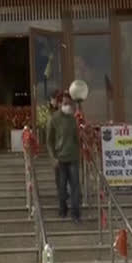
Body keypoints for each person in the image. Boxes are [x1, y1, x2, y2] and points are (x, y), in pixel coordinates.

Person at [46, 92, 81, 222]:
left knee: (75, 186)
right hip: (60, 158)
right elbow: (49, 141)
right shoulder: (54, 119)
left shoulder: (72, 119)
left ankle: (76, 214)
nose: (68, 106)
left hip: (73, 157)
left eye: (69, 103)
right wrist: (53, 157)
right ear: (60, 104)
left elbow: (76, 137)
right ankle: (62, 209)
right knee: (61, 187)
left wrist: (79, 153)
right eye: (65, 103)